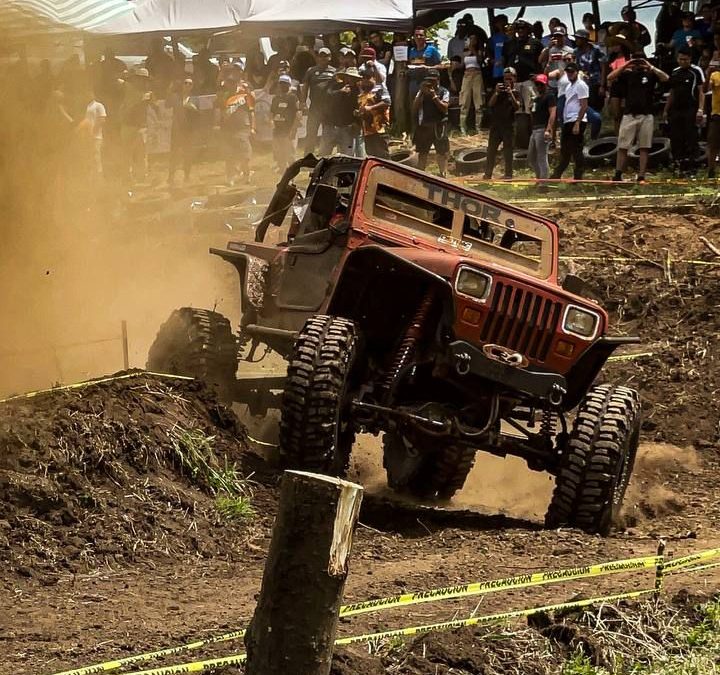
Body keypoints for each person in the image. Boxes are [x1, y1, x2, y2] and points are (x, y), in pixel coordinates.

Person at [608, 55, 669, 183]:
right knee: (623, 145)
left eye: (640, 62)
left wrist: (650, 66)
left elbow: (666, 78)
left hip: (646, 114)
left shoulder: (651, 75)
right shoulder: (627, 75)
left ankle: (641, 175)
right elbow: (610, 77)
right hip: (630, 114)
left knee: (644, 146)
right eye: (636, 62)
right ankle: (618, 173)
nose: (638, 65)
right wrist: (626, 65)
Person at [664, 47, 705, 175]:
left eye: (685, 60)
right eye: (681, 59)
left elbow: (701, 91)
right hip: (676, 109)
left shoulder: (696, 71)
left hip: (691, 108)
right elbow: (672, 92)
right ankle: (678, 163)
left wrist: (700, 109)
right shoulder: (675, 72)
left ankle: (693, 165)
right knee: (676, 136)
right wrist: (666, 109)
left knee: (691, 136)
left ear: (690, 59)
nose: (683, 62)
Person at [550, 62, 588, 180]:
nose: (570, 74)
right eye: (568, 72)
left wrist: (577, 122)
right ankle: (557, 174)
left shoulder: (581, 85)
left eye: (572, 72)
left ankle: (578, 176)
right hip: (568, 120)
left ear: (576, 72)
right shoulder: (568, 87)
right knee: (565, 149)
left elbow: (584, 105)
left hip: (577, 119)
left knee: (576, 149)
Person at [484, 67, 521, 179]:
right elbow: (490, 104)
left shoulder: (516, 92)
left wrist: (510, 94)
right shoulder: (498, 90)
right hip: (496, 124)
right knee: (491, 150)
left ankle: (508, 174)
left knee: (508, 151)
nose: (507, 81)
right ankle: (488, 173)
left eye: (510, 79)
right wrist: (496, 93)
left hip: (509, 125)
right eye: (505, 79)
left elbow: (517, 106)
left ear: (514, 79)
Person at [412, 69, 450, 176]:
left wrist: (434, 96)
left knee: (441, 152)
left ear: (438, 80)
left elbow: (444, 108)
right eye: (428, 80)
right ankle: (420, 175)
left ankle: (443, 174)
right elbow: (414, 108)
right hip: (424, 125)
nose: (431, 83)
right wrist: (421, 94)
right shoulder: (421, 92)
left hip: (439, 125)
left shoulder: (444, 91)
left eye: (433, 80)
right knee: (423, 153)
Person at [502, 20, 543, 112]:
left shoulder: (535, 43)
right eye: (518, 28)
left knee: (530, 108)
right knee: (516, 108)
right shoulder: (509, 44)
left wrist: (539, 76)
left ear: (528, 30)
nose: (520, 30)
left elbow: (541, 61)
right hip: (514, 82)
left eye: (523, 28)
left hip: (529, 80)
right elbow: (505, 60)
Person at [301, 47, 336, 153]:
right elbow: (305, 87)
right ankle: (308, 157)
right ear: (317, 58)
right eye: (321, 56)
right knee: (311, 133)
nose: (323, 58)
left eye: (325, 56)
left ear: (330, 57)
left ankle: (325, 156)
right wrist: (303, 102)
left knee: (328, 133)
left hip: (329, 109)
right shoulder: (311, 71)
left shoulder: (334, 71)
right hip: (315, 107)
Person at [321, 68, 363, 157]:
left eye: (353, 78)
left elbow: (359, 108)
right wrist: (340, 92)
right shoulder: (335, 86)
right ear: (345, 78)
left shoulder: (358, 91)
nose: (351, 80)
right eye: (349, 77)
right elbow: (326, 97)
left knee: (347, 156)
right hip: (331, 125)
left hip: (347, 127)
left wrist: (357, 122)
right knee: (324, 154)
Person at [222, 78, 255, 184]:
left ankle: (246, 175)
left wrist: (253, 127)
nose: (229, 86)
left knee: (244, 154)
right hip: (230, 128)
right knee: (230, 153)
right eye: (228, 84)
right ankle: (231, 176)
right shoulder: (226, 97)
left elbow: (251, 112)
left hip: (243, 127)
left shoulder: (245, 96)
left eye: (231, 83)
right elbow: (223, 112)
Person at [167, 78, 198, 185]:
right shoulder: (175, 97)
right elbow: (167, 105)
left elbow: (199, 115)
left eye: (190, 84)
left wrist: (194, 109)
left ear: (192, 86)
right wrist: (170, 90)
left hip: (189, 130)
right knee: (174, 154)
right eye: (185, 83)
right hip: (176, 130)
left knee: (187, 154)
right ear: (182, 85)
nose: (187, 85)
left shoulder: (195, 99)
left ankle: (187, 176)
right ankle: (170, 176)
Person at [527, 74, 556, 183]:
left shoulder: (549, 96)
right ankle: (540, 178)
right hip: (534, 130)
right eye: (537, 84)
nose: (539, 86)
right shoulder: (536, 99)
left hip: (542, 129)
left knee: (541, 157)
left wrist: (549, 129)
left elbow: (553, 112)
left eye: (541, 84)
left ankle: (543, 183)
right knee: (531, 157)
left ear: (545, 85)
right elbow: (532, 115)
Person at [357, 66, 391, 158]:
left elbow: (387, 102)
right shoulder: (360, 96)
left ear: (374, 79)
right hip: (367, 131)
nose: (365, 81)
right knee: (372, 157)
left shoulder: (379, 90)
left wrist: (371, 108)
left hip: (379, 130)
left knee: (383, 157)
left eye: (368, 78)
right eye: (363, 79)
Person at [271, 74, 300, 171]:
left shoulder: (293, 98)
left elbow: (298, 114)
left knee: (290, 155)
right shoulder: (275, 99)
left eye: (285, 84)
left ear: (289, 85)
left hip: (289, 131)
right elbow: (271, 113)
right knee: (279, 155)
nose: (283, 86)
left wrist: (294, 130)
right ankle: (283, 175)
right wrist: (271, 122)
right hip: (278, 131)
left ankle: (293, 176)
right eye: (281, 83)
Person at [574, 29, 606, 112]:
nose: (576, 40)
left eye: (578, 38)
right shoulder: (576, 51)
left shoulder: (596, 50)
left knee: (595, 107)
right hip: (582, 83)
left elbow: (603, 67)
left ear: (584, 39)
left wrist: (602, 85)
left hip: (595, 83)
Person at [460, 33, 484, 135]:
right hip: (467, 75)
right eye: (471, 38)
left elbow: (480, 60)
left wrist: (473, 49)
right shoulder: (464, 52)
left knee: (478, 102)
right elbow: (462, 64)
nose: (472, 40)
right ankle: (462, 127)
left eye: (474, 39)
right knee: (464, 101)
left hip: (477, 75)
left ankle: (478, 127)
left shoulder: (479, 51)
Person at [408, 27, 442, 100]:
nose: (418, 37)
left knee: (427, 106)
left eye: (421, 35)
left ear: (425, 37)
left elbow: (440, 65)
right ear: (413, 37)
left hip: (428, 82)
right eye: (416, 35)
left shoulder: (431, 49)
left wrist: (428, 68)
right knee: (414, 107)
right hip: (414, 83)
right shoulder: (411, 51)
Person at [541, 26, 574, 99]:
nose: (558, 39)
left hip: (565, 83)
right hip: (551, 83)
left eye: (560, 36)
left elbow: (574, 67)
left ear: (564, 37)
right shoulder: (549, 49)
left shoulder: (571, 50)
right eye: (556, 36)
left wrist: (568, 60)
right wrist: (548, 48)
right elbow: (540, 60)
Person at [85, 92, 107, 176]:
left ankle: (99, 175)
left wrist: (94, 131)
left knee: (96, 156)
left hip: (96, 136)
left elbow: (102, 119)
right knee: (90, 156)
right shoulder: (88, 106)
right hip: (88, 136)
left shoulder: (99, 105)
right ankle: (91, 175)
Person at [707, 53, 720, 178]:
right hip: (717, 114)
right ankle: (711, 170)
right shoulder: (715, 75)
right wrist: (708, 73)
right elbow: (706, 89)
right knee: (713, 144)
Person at [488, 15, 510, 83]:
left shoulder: (510, 36)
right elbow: (489, 50)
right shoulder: (494, 38)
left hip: (509, 69)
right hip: (497, 70)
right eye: (499, 22)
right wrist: (492, 59)